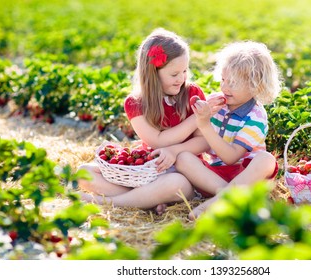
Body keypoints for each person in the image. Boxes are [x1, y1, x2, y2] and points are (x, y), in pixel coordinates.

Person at [78, 28, 220, 214]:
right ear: (153, 73)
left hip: (183, 174)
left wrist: (175, 151)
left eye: (185, 71)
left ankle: (111, 202)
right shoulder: (135, 103)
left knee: (174, 184)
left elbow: (202, 141)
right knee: (84, 172)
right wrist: (197, 118)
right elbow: (158, 141)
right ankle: (147, 200)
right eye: (174, 74)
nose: (182, 78)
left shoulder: (192, 93)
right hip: (146, 171)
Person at [175, 41, 282, 220]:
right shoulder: (217, 104)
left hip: (246, 175)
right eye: (223, 80)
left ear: (255, 86)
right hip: (215, 178)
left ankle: (216, 202)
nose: (224, 88)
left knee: (266, 160)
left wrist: (205, 124)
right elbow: (201, 142)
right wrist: (200, 114)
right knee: (183, 158)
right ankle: (230, 198)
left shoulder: (256, 116)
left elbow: (231, 157)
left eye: (232, 83)